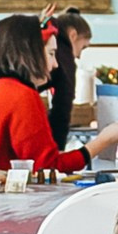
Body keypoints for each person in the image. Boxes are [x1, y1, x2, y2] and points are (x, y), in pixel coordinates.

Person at [0, 16, 118, 174]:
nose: (55, 64)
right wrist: (105, 139)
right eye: (51, 54)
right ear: (30, 54)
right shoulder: (22, 95)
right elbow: (48, 167)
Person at [42, 9, 92, 144]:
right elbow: (62, 107)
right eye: (82, 47)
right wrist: (57, 148)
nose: (79, 56)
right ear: (73, 35)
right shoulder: (64, 57)